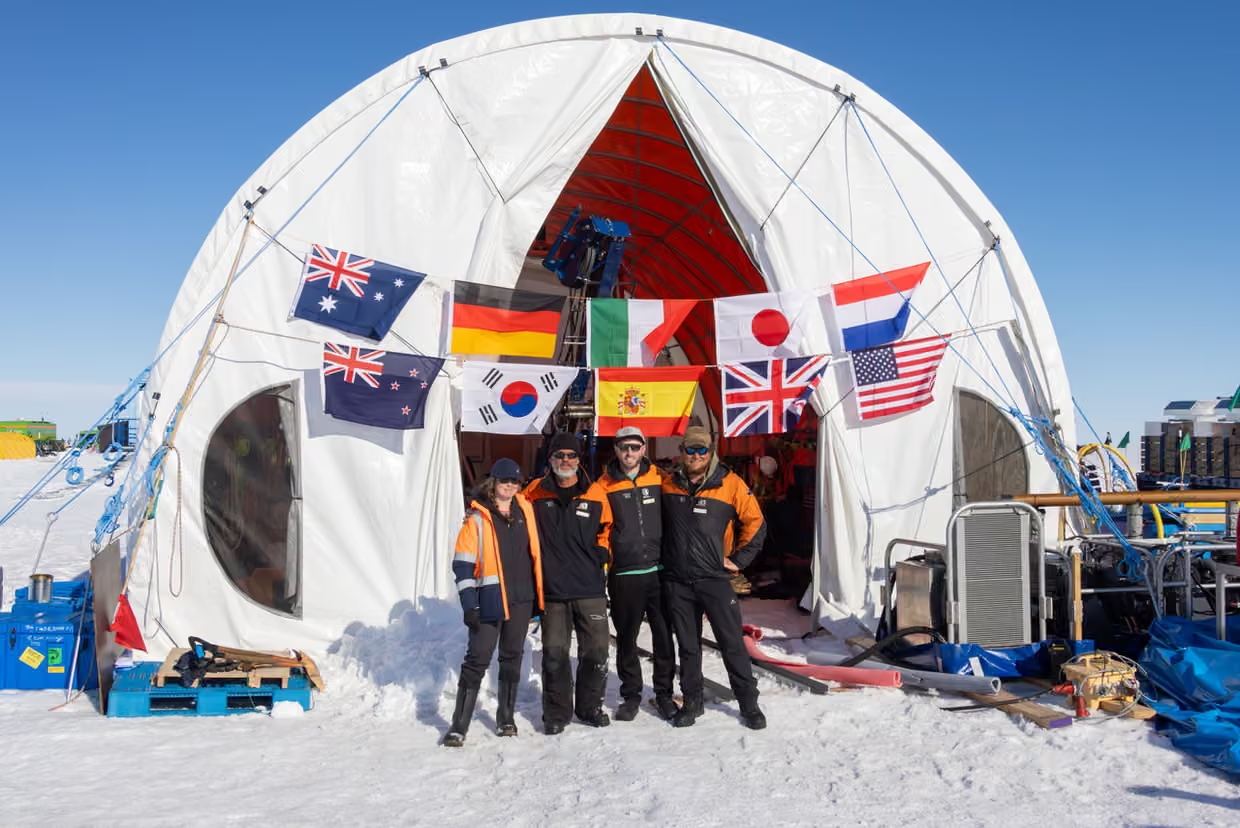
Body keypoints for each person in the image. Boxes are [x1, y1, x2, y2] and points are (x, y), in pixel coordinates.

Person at [661, 425, 768, 730]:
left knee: (731, 642)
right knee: (688, 646)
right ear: (681, 452)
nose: (695, 455)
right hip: (678, 580)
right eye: (690, 449)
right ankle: (692, 703)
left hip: (714, 579)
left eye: (701, 450)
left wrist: (738, 561)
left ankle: (749, 703)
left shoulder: (729, 483)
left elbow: (756, 523)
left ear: (710, 452)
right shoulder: (668, 483)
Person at [444, 458, 543, 747]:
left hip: (521, 598)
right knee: (477, 659)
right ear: (493, 482)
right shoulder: (477, 517)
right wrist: (469, 604)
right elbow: (462, 565)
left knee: (512, 657)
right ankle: (459, 725)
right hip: (489, 600)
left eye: (514, 481)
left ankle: (506, 718)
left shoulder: (525, 510)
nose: (509, 485)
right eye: (504, 480)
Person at [524, 431, 613, 733]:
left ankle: (589, 708)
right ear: (550, 459)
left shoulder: (596, 493)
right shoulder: (534, 493)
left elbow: (608, 528)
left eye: (571, 455)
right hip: (552, 590)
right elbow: (512, 514)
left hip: (589, 588)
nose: (565, 460)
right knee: (554, 655)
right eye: (559, 455)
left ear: (579, 459)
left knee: (597, 651)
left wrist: (602, 551)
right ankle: (556, 714)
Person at [589, 426, 678, 722]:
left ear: (643, 449)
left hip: (659, 571)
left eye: (635, 447)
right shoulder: (603, 485)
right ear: (616, 450)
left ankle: (664, 694)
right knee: (627, 638)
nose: (629, 452)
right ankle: (631, 695)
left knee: (664, 637)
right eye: (624, 447)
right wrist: (605, 557)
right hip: (625, 573)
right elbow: (600, 528)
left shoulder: (660, 479)